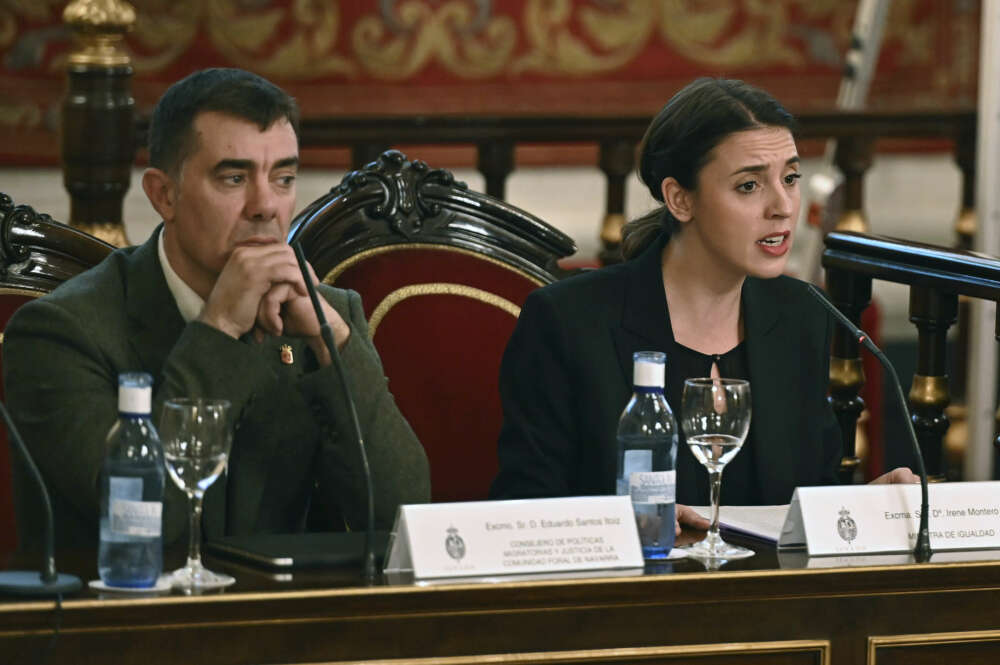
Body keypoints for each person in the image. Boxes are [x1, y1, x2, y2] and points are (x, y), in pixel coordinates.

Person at [4, 68, 430, 549]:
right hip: (128, 618)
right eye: (233, 177)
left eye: (284, 177)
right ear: (164, 195)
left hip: (289, 618)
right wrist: (219, 327)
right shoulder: (61, 333)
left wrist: (336, 347)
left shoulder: (328, 317)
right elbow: (142, 521)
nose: (266, 206)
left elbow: (404, 515)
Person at [489, 78, 915, 527]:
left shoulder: (800, 313)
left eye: (790, 178)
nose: (783, 206)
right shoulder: (569, 322)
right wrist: (618, 524)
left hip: (765, 594)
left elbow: (804, 498)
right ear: (680, 199)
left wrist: (863, 507)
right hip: (628, 590)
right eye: (749, 185)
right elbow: (523, 510)